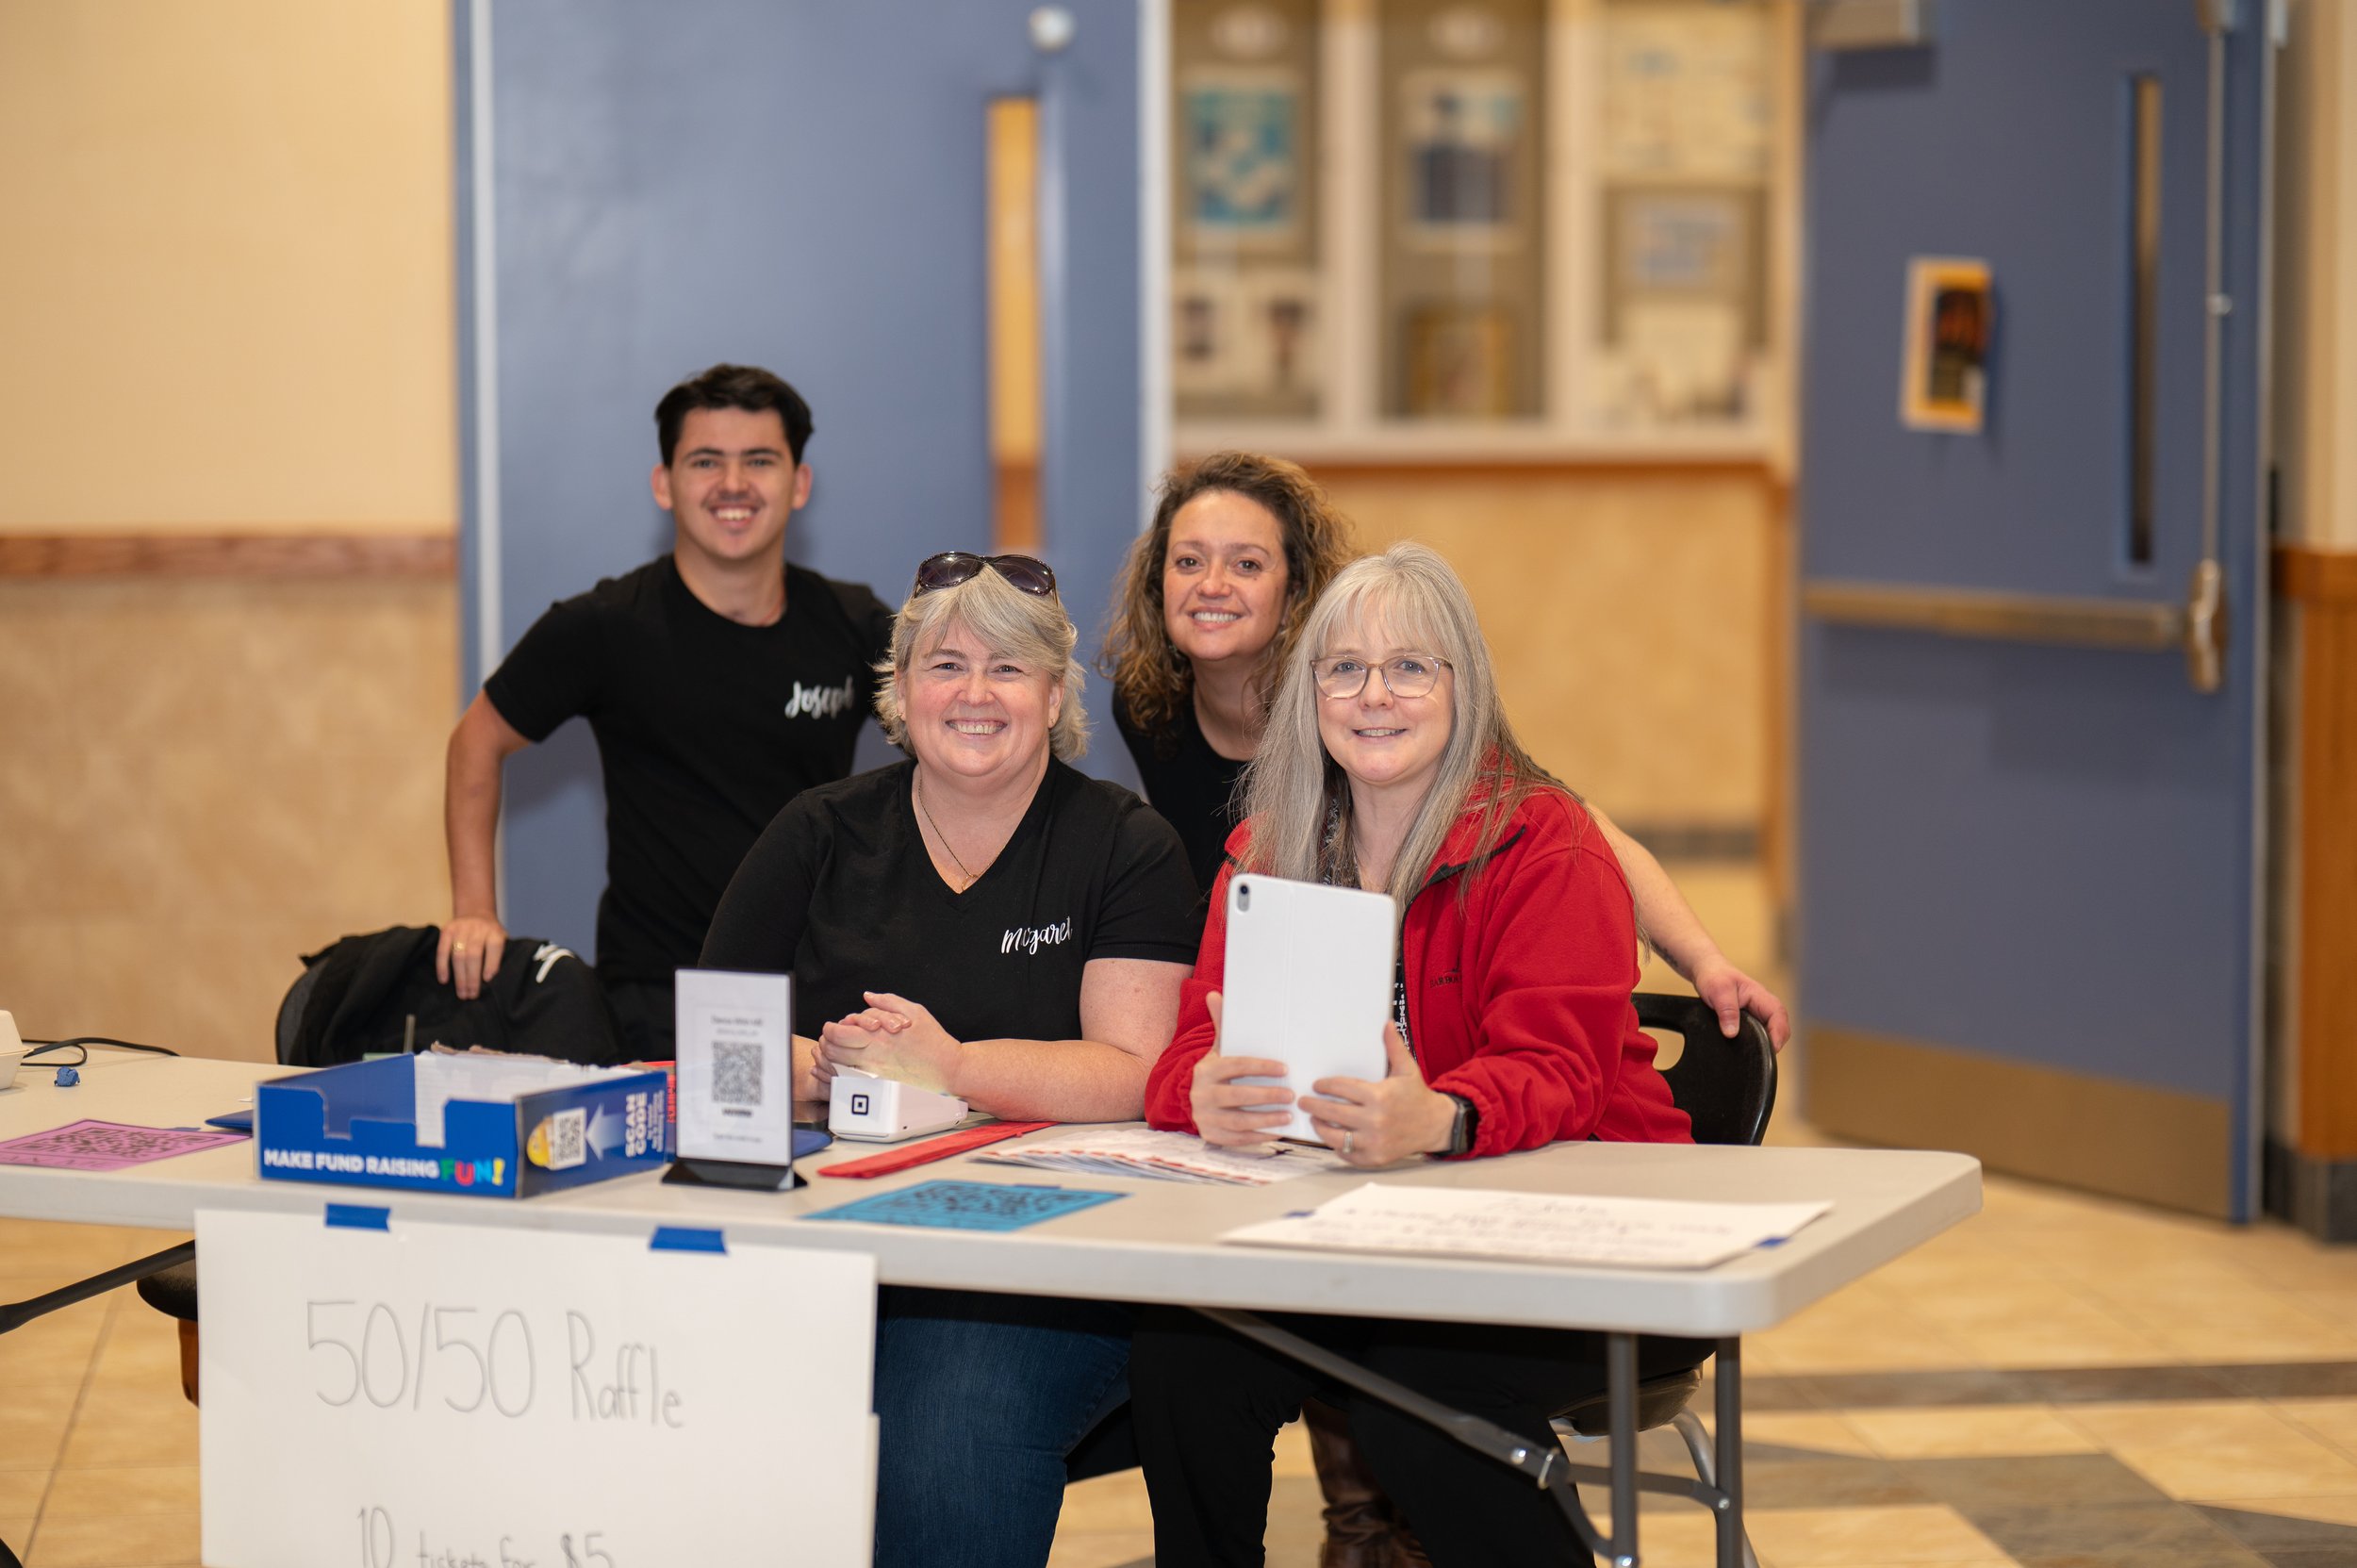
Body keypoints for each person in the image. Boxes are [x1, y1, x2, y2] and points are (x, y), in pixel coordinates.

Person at [1104, 453, 1784, 1566]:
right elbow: (1192, 1039)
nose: (1375, 697)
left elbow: (1561, 1071)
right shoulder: (1268, 851)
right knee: (1184, 1360)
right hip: (1363, 1235)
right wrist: (1199, 1090)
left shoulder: (1545, 843)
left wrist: (1444, 1117)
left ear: (1464, 687)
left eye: (1410, 668)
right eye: (1347, 670)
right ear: (1307, 694)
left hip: (1570, 1243)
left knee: (1410, 1401)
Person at [700, 552, 1199, 1568]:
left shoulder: (1124, 846)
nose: (975, 694)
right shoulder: (820, 829)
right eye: (946, 664)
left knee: (945, 1424)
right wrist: (841, 1068)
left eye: (1008, 669)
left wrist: (949, 1065)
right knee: (724, 1389)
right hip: (825, 1236)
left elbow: (1135, 1070)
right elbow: (717, 1043)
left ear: (1054, 694)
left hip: (1046, 1264)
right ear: (901, 689)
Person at [437, 364, 893, 1058]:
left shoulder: (855, 622)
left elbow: (949, 751)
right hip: (657, 999)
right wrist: (474, 910)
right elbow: (476, 740)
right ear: (664, 483)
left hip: (820, 991)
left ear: (799, 484)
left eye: (760, 461)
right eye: (706, 461)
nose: (733, 484)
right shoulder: (605, 627)